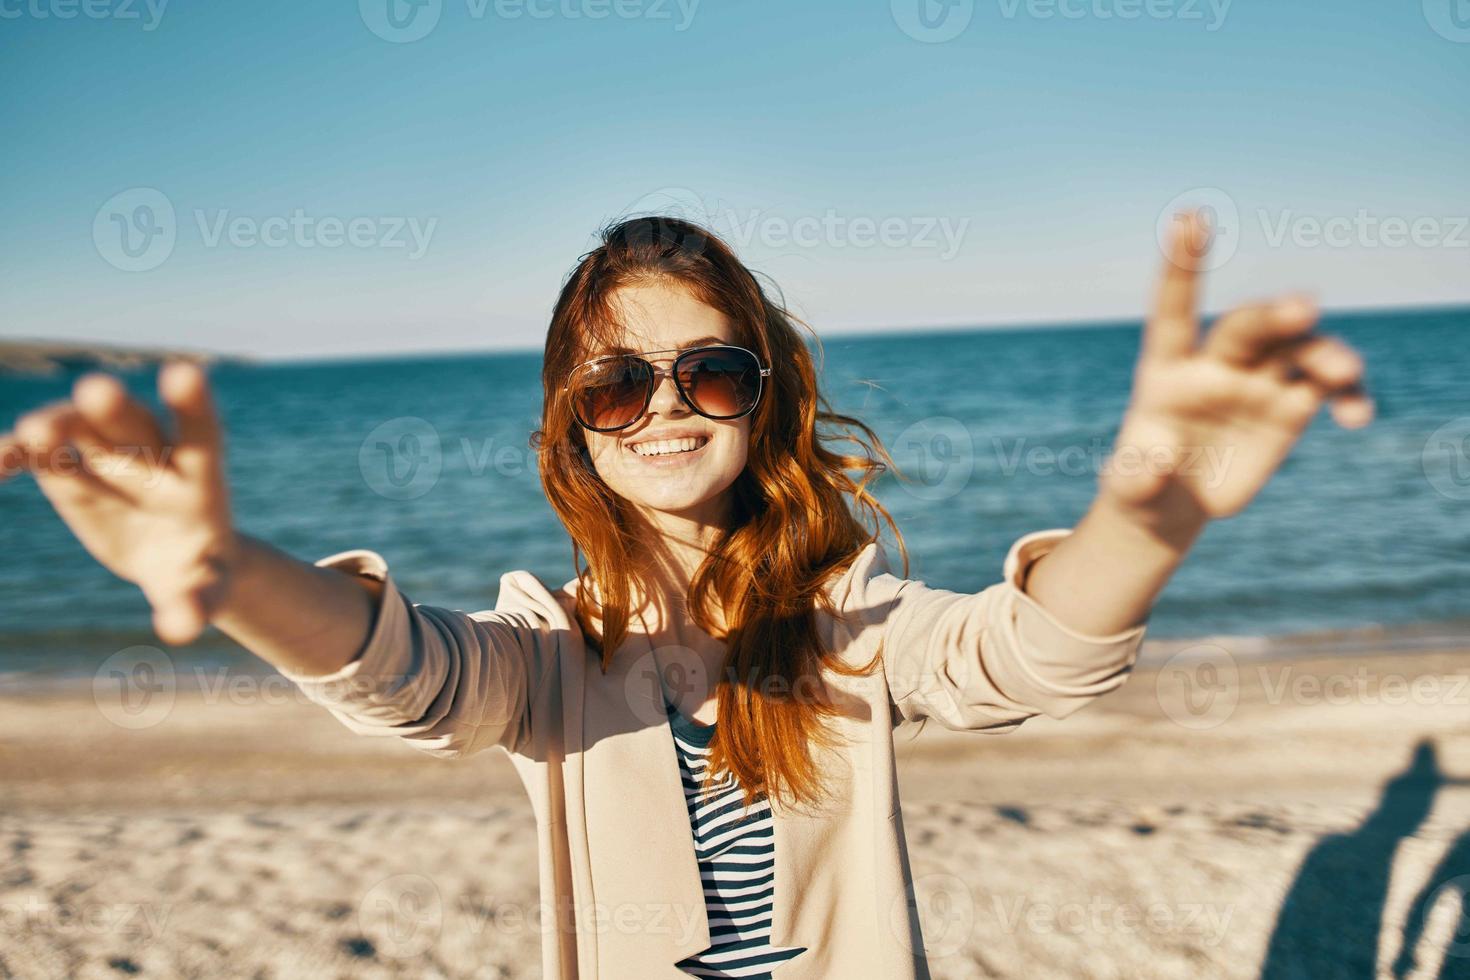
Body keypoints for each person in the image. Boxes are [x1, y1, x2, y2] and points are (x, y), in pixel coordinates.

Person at [0, 212, 1373, 979]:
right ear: (571, 420)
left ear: (763, 400)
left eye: (708, 371)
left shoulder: (846, 623)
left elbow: (1023, 657)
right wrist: (233, 575)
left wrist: (1143, 518)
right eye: (615, 380)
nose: (661, 406)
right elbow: (402, 674)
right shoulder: (546, 654)